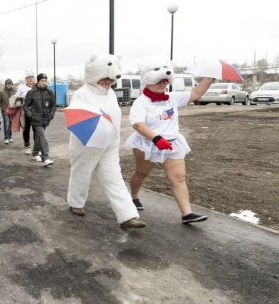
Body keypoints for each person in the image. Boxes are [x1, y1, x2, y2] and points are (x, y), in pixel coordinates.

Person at [125, 63, 214, 224]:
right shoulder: (141, 102)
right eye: (159, 81)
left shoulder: (172, 97)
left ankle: (187, 214)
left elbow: (194, 93)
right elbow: (138, 124)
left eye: (165, 81)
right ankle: (134, 196)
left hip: (172, 144)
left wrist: (209, 78)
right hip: (147, 144)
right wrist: (157, 139)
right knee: (141, 173)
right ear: (148, 81)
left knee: (179, 178)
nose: (162, 84)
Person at [66, 54, 146, 229]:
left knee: (114, 177)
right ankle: (76, 202)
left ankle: (128, 216)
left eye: (110, 80)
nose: (107, 82)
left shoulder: (110, 93)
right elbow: (75, 115)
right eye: (104, 79)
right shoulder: (82, 93)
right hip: (86, 142)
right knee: (82, 173)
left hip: (110, 142)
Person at [23, 73, 56, 167]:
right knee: (42, 137)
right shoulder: (32, 92)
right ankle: (45, 158)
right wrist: (31, 116)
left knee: (38, 137)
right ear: (38, 81)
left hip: (46, 118)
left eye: (45, 81)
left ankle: (34, 154)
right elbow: (25, 106)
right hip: (36, 119)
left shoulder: (49, 92)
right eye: (42, 81)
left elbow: (53, 105)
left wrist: (51, 115)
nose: (44, 83)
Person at [15, 70, 35, 154]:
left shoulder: (37, 87)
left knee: (36, 129)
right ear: (26, 79)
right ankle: (27, 146)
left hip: (35, 110)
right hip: (25, 110)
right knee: (26, 128)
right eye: (28, 77)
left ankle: (37, 147)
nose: (30, 79)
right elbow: (15, 98)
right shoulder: (21, 87)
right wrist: (20, 102)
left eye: (32, 77)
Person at [0, 78, 15, 144]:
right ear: (5, 84)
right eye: (8, 84)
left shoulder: (14, 91)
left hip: (13, 111)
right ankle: (6, 138)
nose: (9, 85)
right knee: (7, 123)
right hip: (5, 110)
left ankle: (10, 137)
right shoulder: (1, 92)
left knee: (11, 124)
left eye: (10, 84)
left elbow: (18, 100)